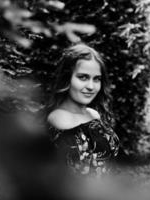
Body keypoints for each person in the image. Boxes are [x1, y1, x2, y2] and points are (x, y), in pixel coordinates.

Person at [46, 43, 119, 176]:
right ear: (67, 78)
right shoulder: (59, 120)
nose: (91, 86)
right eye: (83, 77)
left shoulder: (93, 114)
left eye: (96, 79)